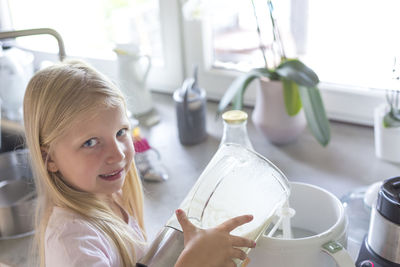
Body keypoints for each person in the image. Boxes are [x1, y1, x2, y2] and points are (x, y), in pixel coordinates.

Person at [23, 60, 256, 267]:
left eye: (121, 132)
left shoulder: (107, 198)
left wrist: (189, 250)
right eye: (91, 142)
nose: (117, 154)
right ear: (49, 158)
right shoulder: (72, 247)